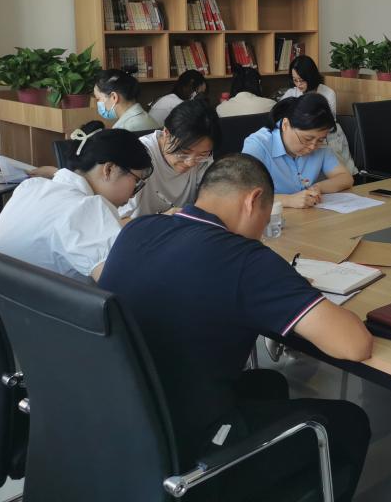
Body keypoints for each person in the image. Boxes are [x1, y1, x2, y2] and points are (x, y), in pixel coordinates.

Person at [99, 154, 372, 501]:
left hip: (124, 422)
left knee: (269, 383)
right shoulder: (247, 259)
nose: (261, 234)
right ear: (253, 200)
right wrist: (290, 288)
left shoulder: (138, 229)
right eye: (265, 219)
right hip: (190, 447)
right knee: (348, 422)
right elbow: (354, 345)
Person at [0, 126, 151, 280]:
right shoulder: (87, 207)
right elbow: (121, 281)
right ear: (109, 170)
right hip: (32, 300)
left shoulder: (31, 187)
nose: (133, 194)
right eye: (136, 181)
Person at [243, 93, 352, 208]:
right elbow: (246, 195)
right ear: (285, 125)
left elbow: (345, 178)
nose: (312, 147)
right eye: (307, 139)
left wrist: (317, 187)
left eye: (320, 140)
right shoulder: (258, 145)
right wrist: (288, 200)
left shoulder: (318, 143)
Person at [121, 99, 221, 218]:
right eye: (184, 152)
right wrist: (161, 220)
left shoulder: (204, 158)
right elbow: (117, 221)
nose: (190, 163)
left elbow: (212, 201)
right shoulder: (138, 157)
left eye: (202, 155)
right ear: (166, 133)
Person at [94, 69, 160, 132]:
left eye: (98, 99)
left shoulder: (124, 130)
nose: (98, 103)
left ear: (114, 97)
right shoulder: (146, 119)